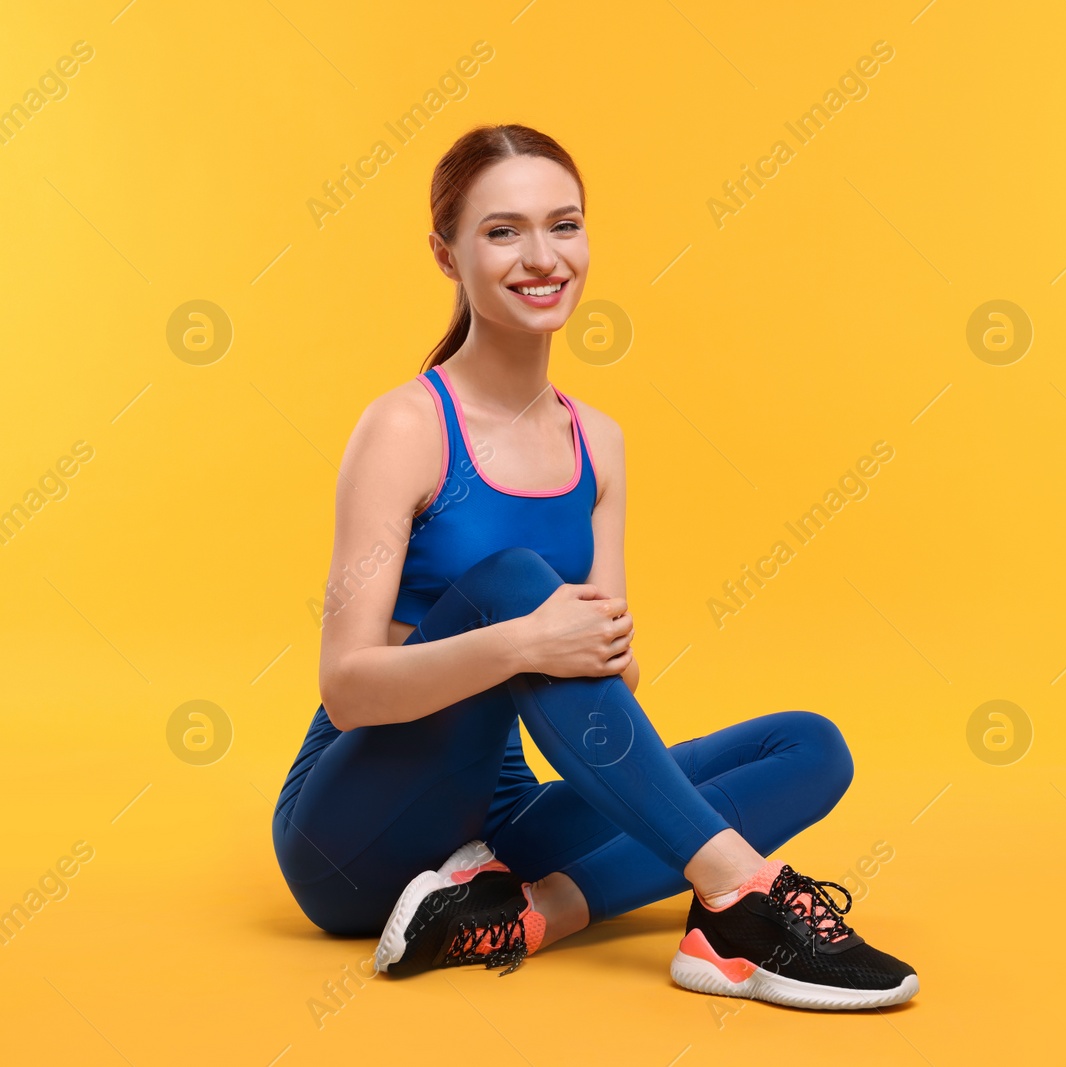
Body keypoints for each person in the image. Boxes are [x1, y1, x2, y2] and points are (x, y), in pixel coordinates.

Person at [270, 123, 918, 1010]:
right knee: (513, 580)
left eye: (563, 225)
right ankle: (740, 898)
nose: (543, 257)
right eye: (503, 232)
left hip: (497, 831)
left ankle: (527, 915)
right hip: (354, 832)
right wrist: (525, 639)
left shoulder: (598, 442)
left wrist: (586, 652)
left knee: (809, 746)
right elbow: (346, 687)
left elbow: (610, 667)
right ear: (445, 254)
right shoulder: (406, 428)